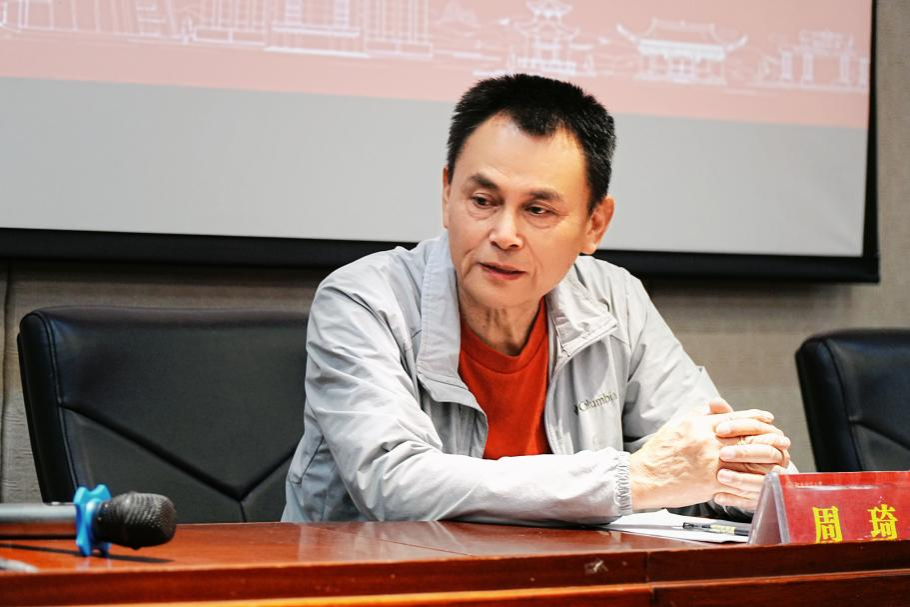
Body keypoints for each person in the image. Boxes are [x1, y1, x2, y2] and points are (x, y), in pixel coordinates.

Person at [282, 74, 791, 525]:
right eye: (483, 201)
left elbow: (693, 458)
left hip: (567, 581)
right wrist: (631, 480)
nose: (504, 234)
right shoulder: (364, 300)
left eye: (538, 210)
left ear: (595, 224)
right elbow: (394, 483)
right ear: (447, 194)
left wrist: (743, 478)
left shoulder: (616, 300)